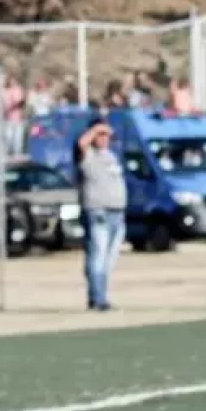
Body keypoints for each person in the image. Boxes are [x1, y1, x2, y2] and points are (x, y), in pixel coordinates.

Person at [74, 118, 126, 311]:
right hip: (98, 212)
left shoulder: (110, 156)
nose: (104, 138)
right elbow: (81, 144)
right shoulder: (87, 155)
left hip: (116, 213)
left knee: (109, 260)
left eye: (106, 135)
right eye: (100, 135)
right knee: (98, 255)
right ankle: (97, 299)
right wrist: (95, 129)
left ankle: (102, 295)